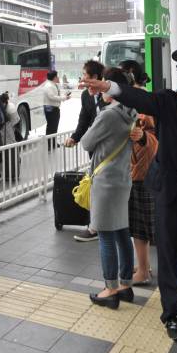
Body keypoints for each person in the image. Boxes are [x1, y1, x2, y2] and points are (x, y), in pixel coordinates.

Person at [83, 48, 177, 342]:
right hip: (168, 196)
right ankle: (172, 314)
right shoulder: (167, 102)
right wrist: (110, 87)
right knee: (169, 257)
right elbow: (141, 98)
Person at [80, 68, 137, 308]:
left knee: (104, 235)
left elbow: (86, 142)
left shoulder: (108, 115)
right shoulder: (130, 110)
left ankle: (110, 288)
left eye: (104, 83)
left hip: (105, 182)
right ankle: (125, 285)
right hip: (123, 178)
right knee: (123, 232)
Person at [123, 68, 159, 286]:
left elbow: (150, 136)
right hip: (143, 170)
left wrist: (142, 135)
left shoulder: (138, 105)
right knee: (141, 227)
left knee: (141, 227)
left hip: (141, 173)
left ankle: (144, 270)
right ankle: (145, 265)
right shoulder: (146, 100)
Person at [65, 59, 107, 242]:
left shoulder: (110, 95)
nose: (82, 79)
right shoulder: (86, 96)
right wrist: (75, 137)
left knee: (106, 187)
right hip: (94, 148)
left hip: (111, 149)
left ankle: (101, 226)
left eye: (85, 75)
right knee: (96, 185)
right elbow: (84, 119)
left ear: (96, 78)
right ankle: (95, 227)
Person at [42, 70, 70, 143]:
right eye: (57, 76)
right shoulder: (49, 86)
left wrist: (64, 96)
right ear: (54, 77)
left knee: (53, 127)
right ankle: (50, 144)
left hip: (53, 108)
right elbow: (52, 97)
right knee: (52, 127)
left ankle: (52, 143)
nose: (58, 77)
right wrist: (64, 98)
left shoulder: (53, 84)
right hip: (51, 109)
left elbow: (55, 96)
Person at [0, 92, 21, 180]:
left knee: (11, 147)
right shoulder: (4, 106)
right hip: (8, 127)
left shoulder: (11, 108)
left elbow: (15, 121)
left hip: (11, 125)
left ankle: (12, 174)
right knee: (10, 148)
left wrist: (9, 128)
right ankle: (11, 173)